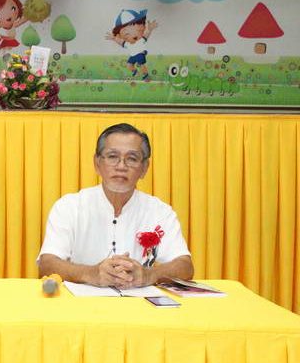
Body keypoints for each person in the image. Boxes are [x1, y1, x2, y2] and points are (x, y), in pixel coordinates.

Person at [38, 123, 193, 288]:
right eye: (112, 156)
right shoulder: (69, 206)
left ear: (144, 168)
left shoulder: (160, 211)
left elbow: (185, 267)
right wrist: (91, 273)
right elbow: (47, 264)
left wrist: (148, 275)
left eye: (132, 158)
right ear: (97, 163)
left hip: (139, 302)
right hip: (81, 301)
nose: (121, 166)